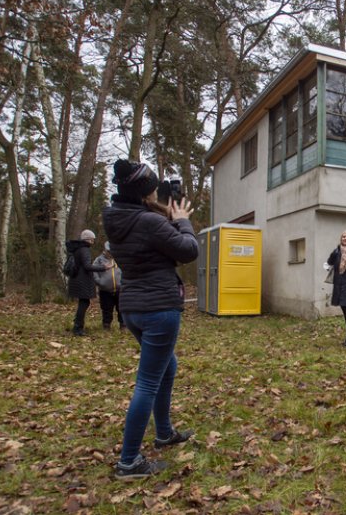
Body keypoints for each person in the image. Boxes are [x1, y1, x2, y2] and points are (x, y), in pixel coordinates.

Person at [103, 159, 199, 479]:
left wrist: (167, 218)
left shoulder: (118, 217)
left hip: (132, 308)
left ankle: (164, 432)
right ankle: (129, 461)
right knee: (147, 382)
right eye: (154, 188)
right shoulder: (147, 221)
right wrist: (182, 222)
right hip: (158, 307)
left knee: (167, 367)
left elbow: (153, 245)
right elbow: (188, 250)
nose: (157, 192)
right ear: (145, 192)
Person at [66, 229, 106, 337]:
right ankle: (78, 328)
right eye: (92, 239)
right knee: (84, 303)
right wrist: (103, 267)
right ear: (88, 239)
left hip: (76, 279)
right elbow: (87, 266)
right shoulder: (85, 250)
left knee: (83, 303)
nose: (93, 241)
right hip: (82, 281)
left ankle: (77, 324)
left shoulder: (77, 248)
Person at [93, 242, 124, 330]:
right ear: (105, 250)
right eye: (109, 251)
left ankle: (123, 325)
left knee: (121, 308)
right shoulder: (99, 260)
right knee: (106, 309)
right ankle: (106, 325)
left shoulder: (120, 259)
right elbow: (94, 271)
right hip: (105, 290)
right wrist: (99, 282)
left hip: (120, 289)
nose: (111, 253)